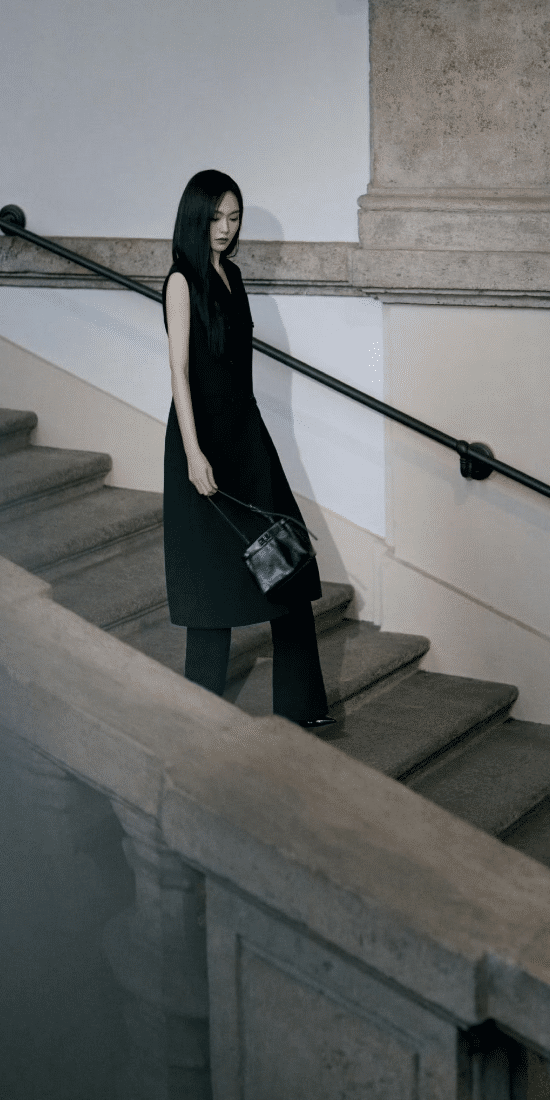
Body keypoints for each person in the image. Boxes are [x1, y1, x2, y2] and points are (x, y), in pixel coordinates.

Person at [161, 169, 336, 729]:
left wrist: (257, 442)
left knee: (290, 571)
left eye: (234, 217)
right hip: (202, 444)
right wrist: (194, 454)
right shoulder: (181, 281)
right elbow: (180, 372)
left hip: (247, 437)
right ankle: (199, 718)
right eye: (216, 216)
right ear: (196, 217)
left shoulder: (232, 274)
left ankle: (302, 709)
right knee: (210, 592)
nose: (225, 228)